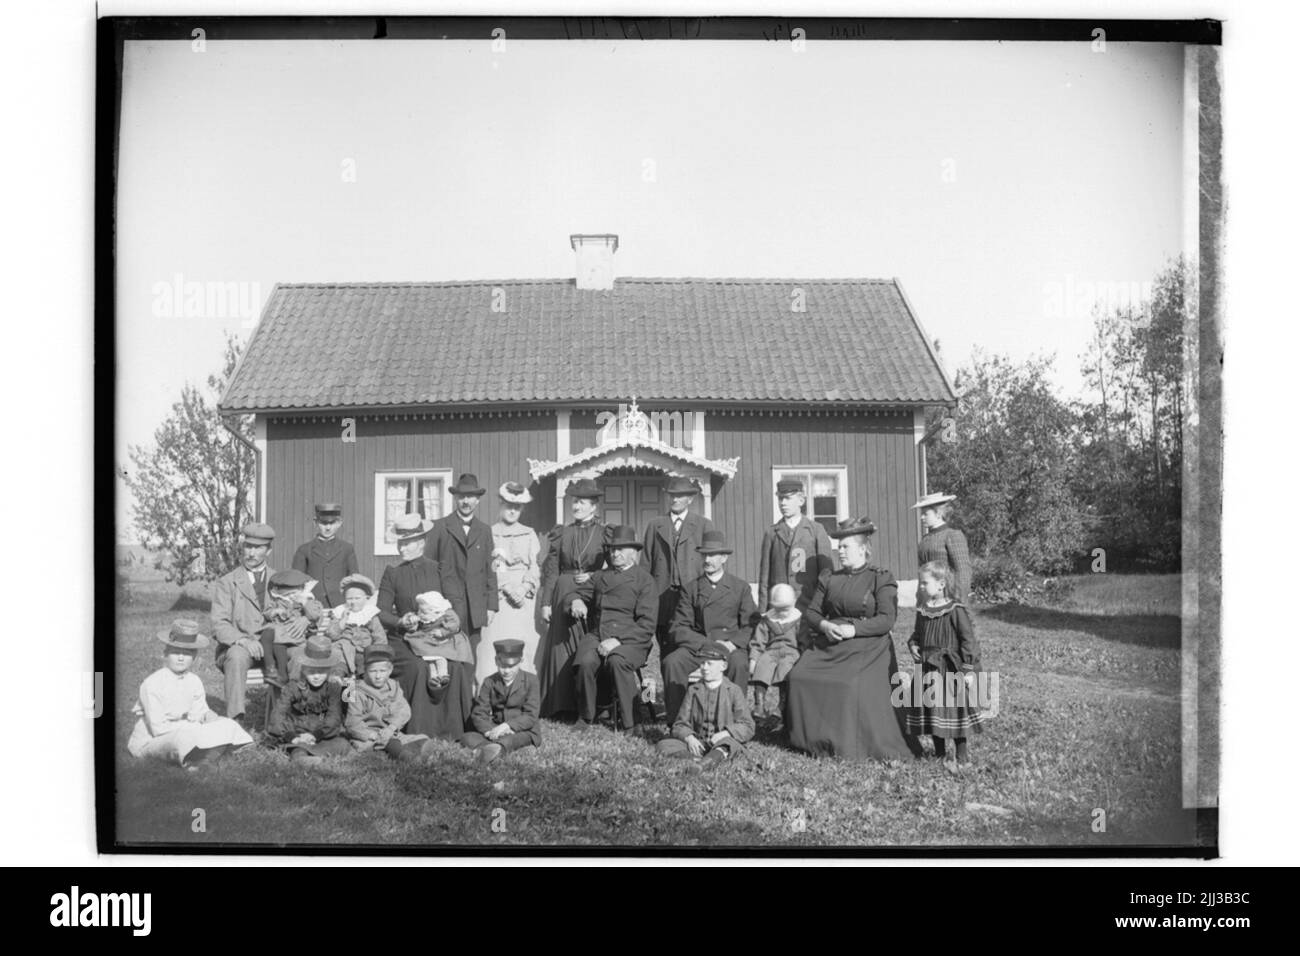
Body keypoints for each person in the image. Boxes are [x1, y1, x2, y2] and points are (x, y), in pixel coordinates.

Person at [786, 517, 917, 761]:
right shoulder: (830, 578)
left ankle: (844, 744)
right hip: (830, 643)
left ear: (862, 548)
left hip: (868, 646)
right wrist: (825, 625)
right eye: (839, 547)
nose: (840, 552)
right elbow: (812, 613)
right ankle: (808, 740)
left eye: (845, 547)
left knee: (849, 685)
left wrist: (854, 629)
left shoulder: (881, 577)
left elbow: (887, 619)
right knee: (798, 676)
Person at [377, 513, 473, 741]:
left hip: (439, 635)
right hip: (405, 639)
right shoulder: (393, 573)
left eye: (407, 542)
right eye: (400, 543)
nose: (402, 548)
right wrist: (400, 621)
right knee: (417, 667)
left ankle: (454, 730)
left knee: (455, 667)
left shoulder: (439, 569)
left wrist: (448, 630)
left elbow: (457, 602)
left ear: (422, 542)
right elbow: (381, 611)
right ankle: (419, 729)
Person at [565, 524, 657, 733]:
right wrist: (576, 600)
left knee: (617, 661)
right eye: (613, 549)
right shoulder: (601, 576)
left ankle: (631, 721)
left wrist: (618, 640)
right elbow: (578, 592)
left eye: (621, 549)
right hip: (598, 634)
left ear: (633, 553)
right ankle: (586, 715)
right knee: (585, 662)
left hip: (632, 639)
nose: (615, 553)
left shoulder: (644, 580)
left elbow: (647, 624)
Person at [127, 620, 253, 769]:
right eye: (175, 652)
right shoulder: (152, 683)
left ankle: (206, 755)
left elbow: (198, 711)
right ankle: (203, 756)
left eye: (186, 654)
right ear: (165, 654)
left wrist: (207, 715)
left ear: (194, 657)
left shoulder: (194, 681)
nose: (181, 658)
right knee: (183, 738)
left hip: (187, 729)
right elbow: (158, 728)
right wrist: (193, 728)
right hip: (154, 739)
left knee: (228, 724)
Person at [663, 530, 757, 722]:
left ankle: (735, 721)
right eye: (705, 555)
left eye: (713, 555)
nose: (707, 559)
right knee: (672, 662)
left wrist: (733, 643)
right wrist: (703, 644)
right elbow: (678, 626)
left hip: (728, 646)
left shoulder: (740, 587)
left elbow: (750, 624)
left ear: (724, 558)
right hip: (700, 647)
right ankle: (678, 722)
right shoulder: (691, 588)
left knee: (739, 664)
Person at [538, 478, 611, 717]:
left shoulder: (604, 533)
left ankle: (590, 704)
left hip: (591, 593)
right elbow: (551, 570)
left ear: (594, 506)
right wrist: (546, 602)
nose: (576, 507)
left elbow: (614, 569)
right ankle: (561, 705)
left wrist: (594, 574)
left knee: (586, 646)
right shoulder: (563, 532)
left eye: (581, 502)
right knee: (561, 648)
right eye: (574, 502)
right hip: (562, 593)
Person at [905, 561, 982, 772]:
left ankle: (962, 756)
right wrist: (913, 644)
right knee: (932, 711)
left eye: (924, 583)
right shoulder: (923, 611)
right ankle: (939, 754)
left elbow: (968, 640)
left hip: (949, 669)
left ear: (941, 584)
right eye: (920, 583)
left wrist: (968, 669)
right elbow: (917, 635)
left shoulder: (955, 610)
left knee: (954, 712)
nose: (921, 587)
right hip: (928, 668)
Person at [426, 473, 498, 674]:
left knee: (470, 657)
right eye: (461, 497)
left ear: (478, 500)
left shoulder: (484, 530)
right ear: (456, 498)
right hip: (447, 606)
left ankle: (467, 703)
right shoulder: (439, 527)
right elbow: (430, 568)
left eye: (470, 497)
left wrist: (491, 605)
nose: (466, 501)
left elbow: (490, 570)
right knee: (447, 655)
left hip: (476, 606)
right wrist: (434, 604)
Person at [642, 476, 713, 665]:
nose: (674, 500)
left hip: (691, 597)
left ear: (689, 499)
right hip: (662, 597)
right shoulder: (655, 525)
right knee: (666, 647)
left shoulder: (703, 525)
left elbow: (711, 563)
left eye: (680, 496)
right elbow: (646, 565)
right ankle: (668, 690)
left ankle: (691, 691)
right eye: (672, 496)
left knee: (692, 646)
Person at [211, 521, 276, 725]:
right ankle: (234, 723)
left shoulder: (279, 580)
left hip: (272, 648)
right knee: (237, 657)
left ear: (269, 551)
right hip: (239, 647)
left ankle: (284, 722)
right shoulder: (227, 582)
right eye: (248, 546)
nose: (251, 553)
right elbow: (219, 624)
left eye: (258, 548)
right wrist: (243, 641)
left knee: (295, 656)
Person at [655, 642, 754, 772]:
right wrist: (689, 738)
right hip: (699, 742)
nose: (704, 668)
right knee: (663, 745)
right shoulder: (693, 690)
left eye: (709, 664)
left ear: (723, 666)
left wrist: (726, 733)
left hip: (722, 742)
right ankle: (699, 759)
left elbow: (747, 726)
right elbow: (679, 724)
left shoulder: (734, 691)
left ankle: (704, 764)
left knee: (730, 745)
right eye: (702, 663)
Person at [480, 482, 542, 684]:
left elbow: (535, 565)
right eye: (508, 505)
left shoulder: (529, 533)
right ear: (500, 504)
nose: (512, 511)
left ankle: (525, 694)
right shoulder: (490, 533)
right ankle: (492, 691)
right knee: (493, 644)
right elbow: (492, 564)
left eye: (517, 507)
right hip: (499, 596)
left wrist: (524, 588)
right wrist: (507, 588)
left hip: (524, 598)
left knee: (526, 642)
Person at [758, 479, 837, 625]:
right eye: (780, 498)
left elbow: (827, 573)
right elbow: (764, 577)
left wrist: (824, 606)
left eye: (788, 498)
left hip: (808, 606)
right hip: (779, 608)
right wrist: (763, 609)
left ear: (801, 500)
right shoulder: (771, 533)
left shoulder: (816, 530)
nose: (783, 503)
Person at [265, 635, 353, 766]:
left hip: (321, 734)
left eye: (322, 672)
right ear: (304, 669)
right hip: (296, 733)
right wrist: (292, 737)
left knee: (342, 744)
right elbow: (278, 713)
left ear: (329, 671)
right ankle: (302, 757)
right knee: (298, 748)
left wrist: (315, 735)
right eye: (311, 672)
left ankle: (312, 754)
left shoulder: (332, 687)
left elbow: (334, 716)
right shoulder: (293, 687)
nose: (316, 677)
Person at [343, 645, 438, 762]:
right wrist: (373, 735)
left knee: (421, 738)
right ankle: (408, 758)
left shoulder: (394, 686)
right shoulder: (351, 688)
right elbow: (351, 723)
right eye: (373, 671)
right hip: (368, 735)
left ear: (390, 670)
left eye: (382, 671)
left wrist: (391, 728)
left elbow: (403, 711)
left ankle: (420, 750)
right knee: (391, 743)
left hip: (391, 732)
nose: (378, 676)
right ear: (365, 669)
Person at [462, 639, 542, 764]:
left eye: (511, 666)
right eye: (502, 666)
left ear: (521, 661)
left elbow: (531, 716)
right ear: (496, 661)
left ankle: (488, 749)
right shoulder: (489, 681)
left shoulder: (531, 680)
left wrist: (507, 726)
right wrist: (489, 731)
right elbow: (478, 713)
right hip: (495, 729)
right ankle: (496, 749)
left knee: (509, 740)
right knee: (466, 737)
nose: (506, 671)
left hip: (522, 730)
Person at [260, 568, 330, 685]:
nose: (292, 597)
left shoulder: (310, 603)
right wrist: (275, 612)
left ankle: (297, 690)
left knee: (299, 656)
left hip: (300, 641)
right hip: (283, 639)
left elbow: (316, 618)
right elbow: (267, 612)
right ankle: (288, 688)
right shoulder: (279, 602)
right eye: (288, 594)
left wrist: (306, 617)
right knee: (276, 642)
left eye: (294, 594)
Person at [748, 583, 803, 717]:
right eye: (779, 609)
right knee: (763, 665)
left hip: (791, 652)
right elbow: (758, 641)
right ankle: (759, 704)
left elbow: (804, 641)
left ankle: (782, 705)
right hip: (771, 651)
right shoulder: (767, 620)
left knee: (786, 668)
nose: (783, 613)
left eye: (786, 609)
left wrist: (804, 658)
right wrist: (754, 659)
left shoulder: (798, 620)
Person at [291, 502, 359, 608]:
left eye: (332, 523)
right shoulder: (304, 550)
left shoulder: (347, 549)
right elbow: (296, 582)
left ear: (339, 523)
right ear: (315, 522)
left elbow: (354, 579)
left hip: (340, 605)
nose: (328, 528)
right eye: (323, 523)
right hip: (313, 605)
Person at [912, 492, 973, 604]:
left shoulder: (952, 535)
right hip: (928, 600)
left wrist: (957, 600)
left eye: (926, 514)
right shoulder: (925, 540)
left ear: (938, 513)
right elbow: (922, 572)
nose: (922, 517)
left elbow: (963, 571)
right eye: (922, 514)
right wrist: (920, 599)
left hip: (949, 598)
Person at [404, 591, 470, 692]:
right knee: (429, 658)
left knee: (439, 657)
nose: (420, 614)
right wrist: (413, 622)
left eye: (424, 612)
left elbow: (455, 625)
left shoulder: (447, 614)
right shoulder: (422, 615)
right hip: (427, 638)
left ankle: (443, 674)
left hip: (443, 640)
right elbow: (416, 626)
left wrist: (442, 632)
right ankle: (434, 677)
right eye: (419, 611)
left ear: (435, 610)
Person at [325, 573, 387, 677]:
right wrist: (343, 620)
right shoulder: (340, 612)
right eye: (349, 599)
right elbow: (331, 635)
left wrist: (377, 654)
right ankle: (341, 686)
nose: (353, 602)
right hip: (343, 651)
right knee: (339, 664)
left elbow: (379, 636)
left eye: (357, 598)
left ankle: (362, 686)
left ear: (366, 598)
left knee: (364, 667)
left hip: (364, 651)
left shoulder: (369, 614)